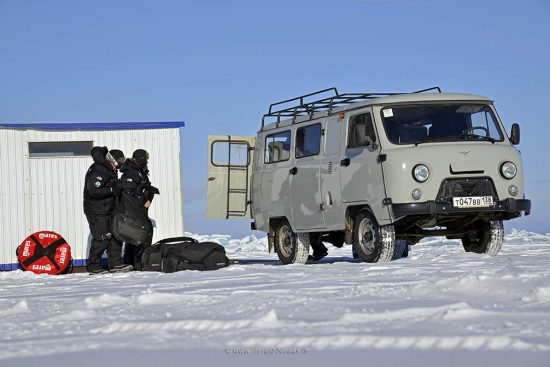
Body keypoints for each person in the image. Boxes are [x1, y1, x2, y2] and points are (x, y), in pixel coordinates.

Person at [83, 147, 132, 274]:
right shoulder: (98, 169)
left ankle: (116, 264)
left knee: (115, 236)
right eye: (118, 163)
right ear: (112, 160)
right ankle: (94, 266)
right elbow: (93, 190)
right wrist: (112, 190)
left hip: (109, 209)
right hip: (97, 210)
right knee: (102, 238)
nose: (119, 166)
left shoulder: (110, 170)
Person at [120, 149, 159, 267]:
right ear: (141, 159)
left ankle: (136, 262)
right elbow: (129, 194)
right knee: (140, 236)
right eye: (145, 158)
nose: (146, 160)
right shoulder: (131, 173)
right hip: (134, 211)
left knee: (138, 236)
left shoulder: (140, 172)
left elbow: (142, 189)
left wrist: (150, 194)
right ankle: (138, 263)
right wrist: (143, 200)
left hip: (140, 211)